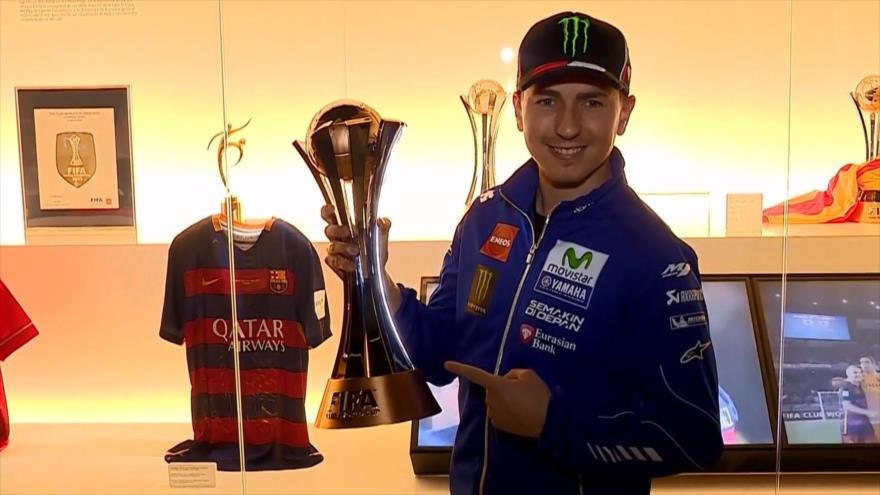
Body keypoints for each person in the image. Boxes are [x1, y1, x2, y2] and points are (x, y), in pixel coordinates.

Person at [323, 11, 722, 495]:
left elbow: (695, 436)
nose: (568, 126)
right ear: (517, 109)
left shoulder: (656, 256)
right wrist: (375, 282)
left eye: (592, 102)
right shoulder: (484, 218)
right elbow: (438, 352)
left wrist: (553, 422)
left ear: (624, 113)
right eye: (547, 101)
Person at [838, 365, 878, 444]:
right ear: (849, 374)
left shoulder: (862, 387)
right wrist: (868, 412)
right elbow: (847, 406)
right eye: (855, 373)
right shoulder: (845, 387)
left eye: (860, 372)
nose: (859, 374)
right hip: (851, 427)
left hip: (865, 426)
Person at [858, 356, 880, 441]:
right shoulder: (859, 379)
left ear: (874, 364)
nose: (864, 364)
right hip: (868, 416)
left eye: (867, 362)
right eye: (861, 362)